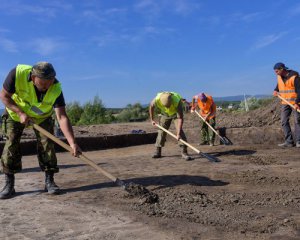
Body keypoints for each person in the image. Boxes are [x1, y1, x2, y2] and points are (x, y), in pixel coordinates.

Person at [0, 62, 81, 199]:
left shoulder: (55, 88)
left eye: (49, 83)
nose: (46, 88)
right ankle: (9, 184)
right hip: (15, 114)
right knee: (11, 145)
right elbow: (4, 96)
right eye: (42, 84)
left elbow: (61, 117)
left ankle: (49, 181)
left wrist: (72, 142)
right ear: (33, 78)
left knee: (47, 145)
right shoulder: (17, 74)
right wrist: (20, 113)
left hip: (42, 117)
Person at [149, 92, 192, 160]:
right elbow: (151, 107)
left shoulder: (177, 101)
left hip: (176, 114)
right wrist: (152, 120)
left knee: (180, 131)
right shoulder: (156, 100)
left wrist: (177, 133)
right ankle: (158, 152)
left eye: (169, 105)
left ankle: (184, 152)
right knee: (161, 131)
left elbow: (180, 118)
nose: (168, 107)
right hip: (165, 114)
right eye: (166, 106)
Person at [273, 62, 300, 148]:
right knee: (284, 121)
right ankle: (289, 142)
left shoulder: (294, 77)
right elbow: (279, 85)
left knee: (297, 121)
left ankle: (299, 142)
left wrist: (297, 103)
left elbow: (299, 91)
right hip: (285, 102)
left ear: (282, 69)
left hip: (295, 103)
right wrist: (276, 90)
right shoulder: (279, 77)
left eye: (277, 71)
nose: (275, 73)